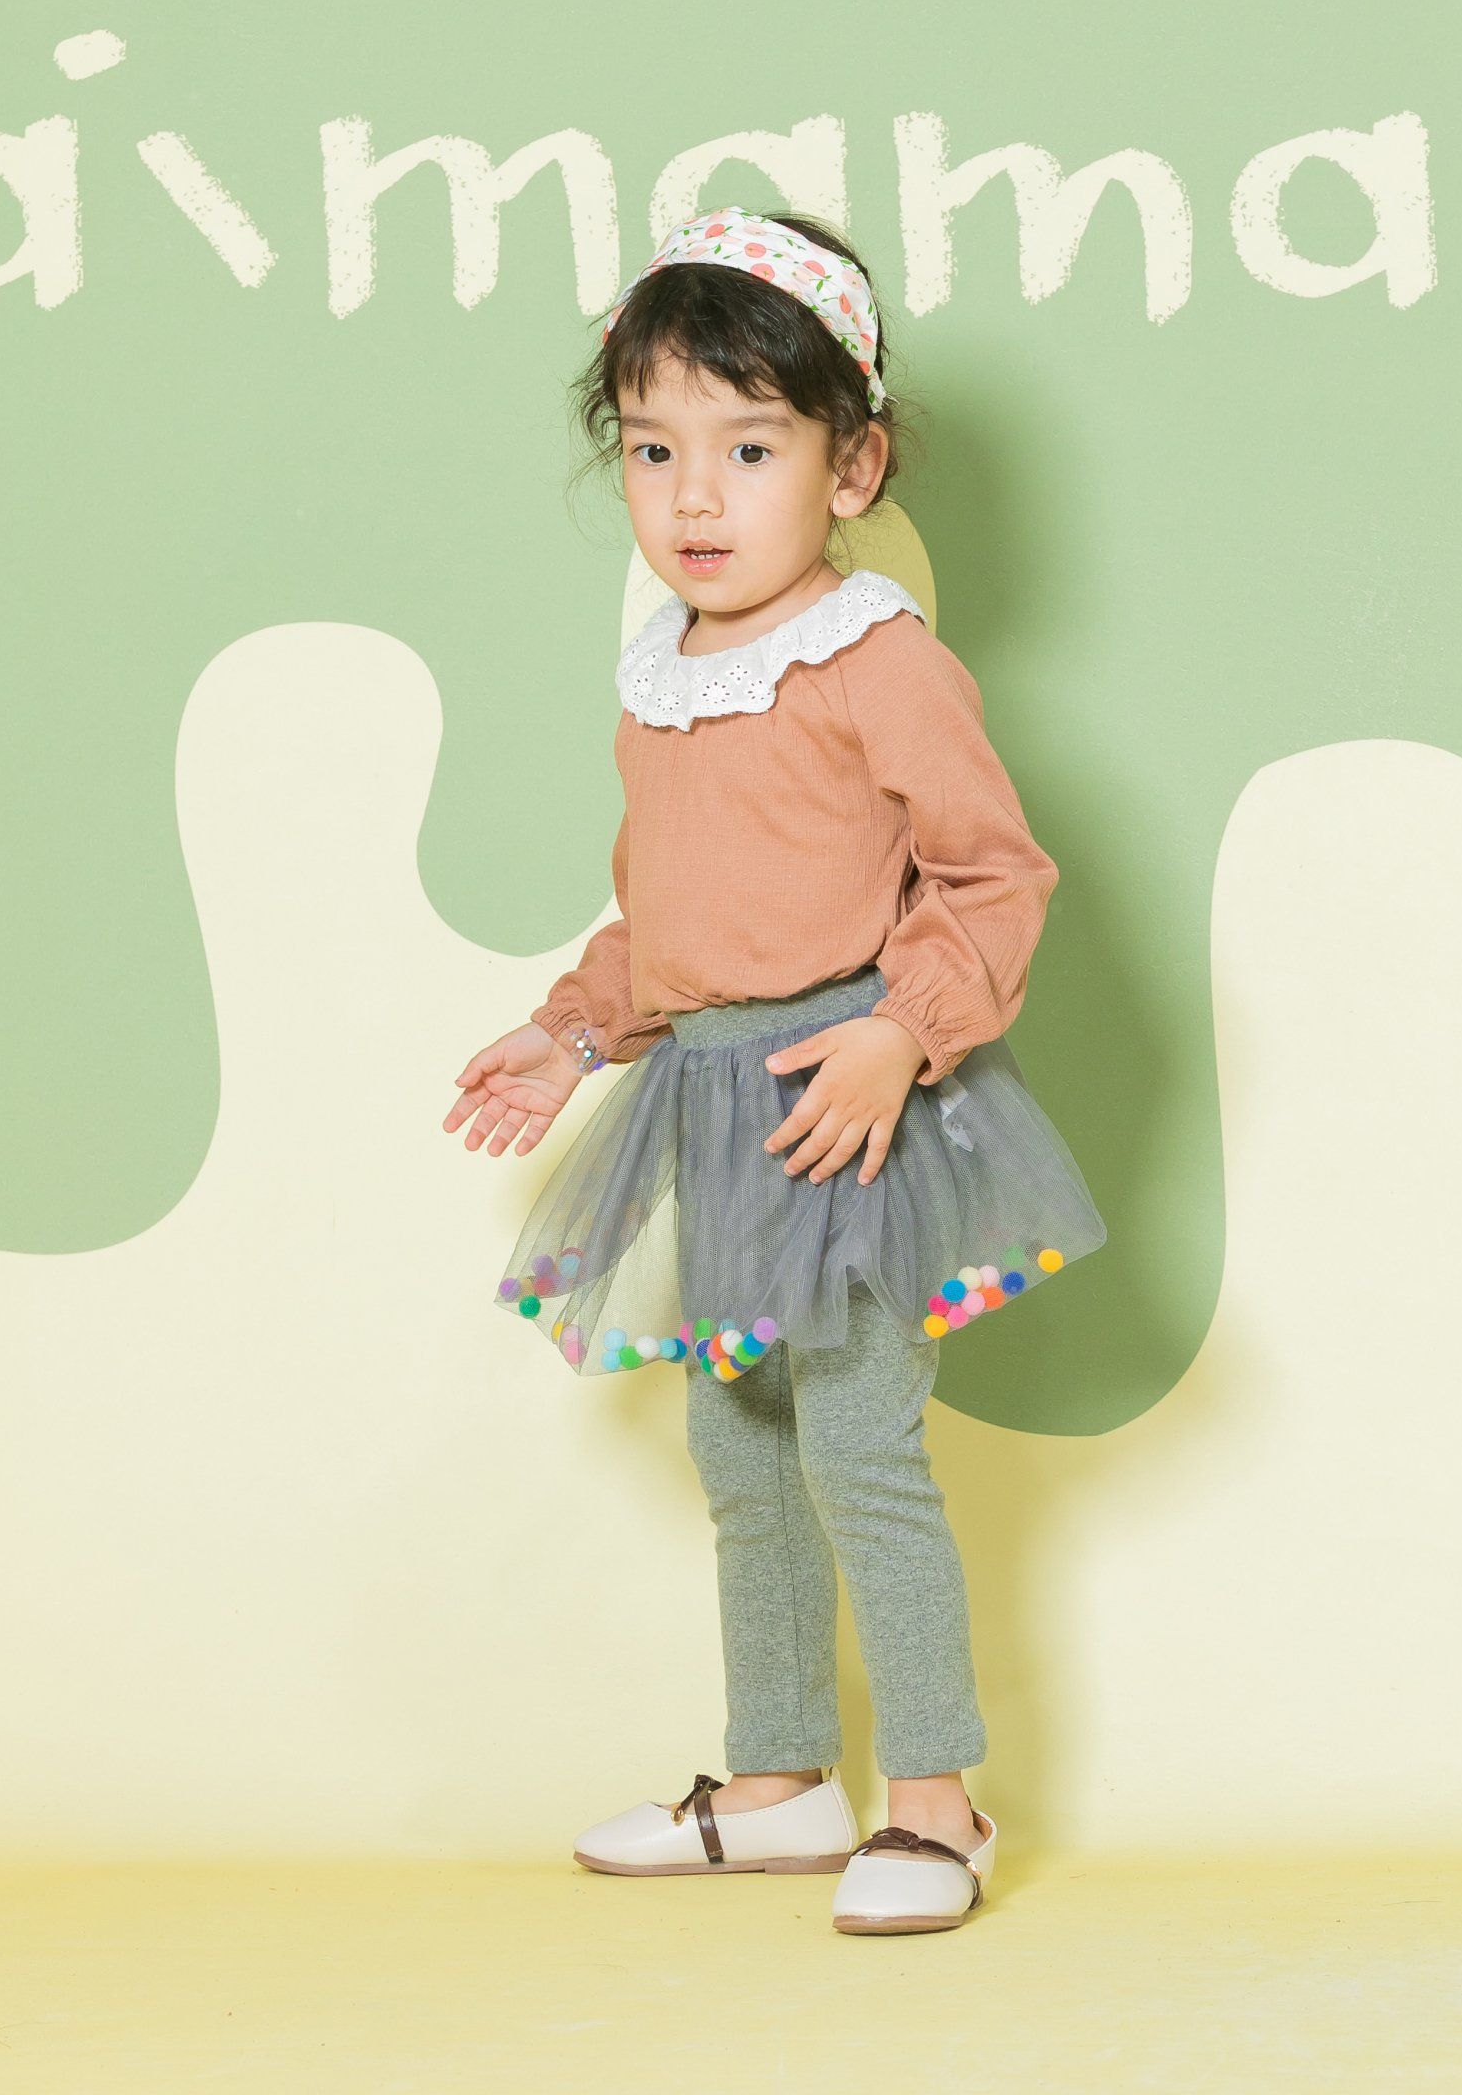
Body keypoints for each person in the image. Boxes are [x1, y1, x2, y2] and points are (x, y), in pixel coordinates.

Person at [443, 204, 1106, 1936]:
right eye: (653, 449)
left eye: (749, 448)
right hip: (706, 1105)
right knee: (742, 1452)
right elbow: (667, 920)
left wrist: (903, 1029)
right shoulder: (661, 679)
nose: (695, 496)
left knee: (859, 1449)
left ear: (850, 464)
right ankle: (778, 1780)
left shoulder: (878, 659)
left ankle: (939, 1803)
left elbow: (995, 876)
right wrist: (570, 1029)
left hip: (844, 1105)